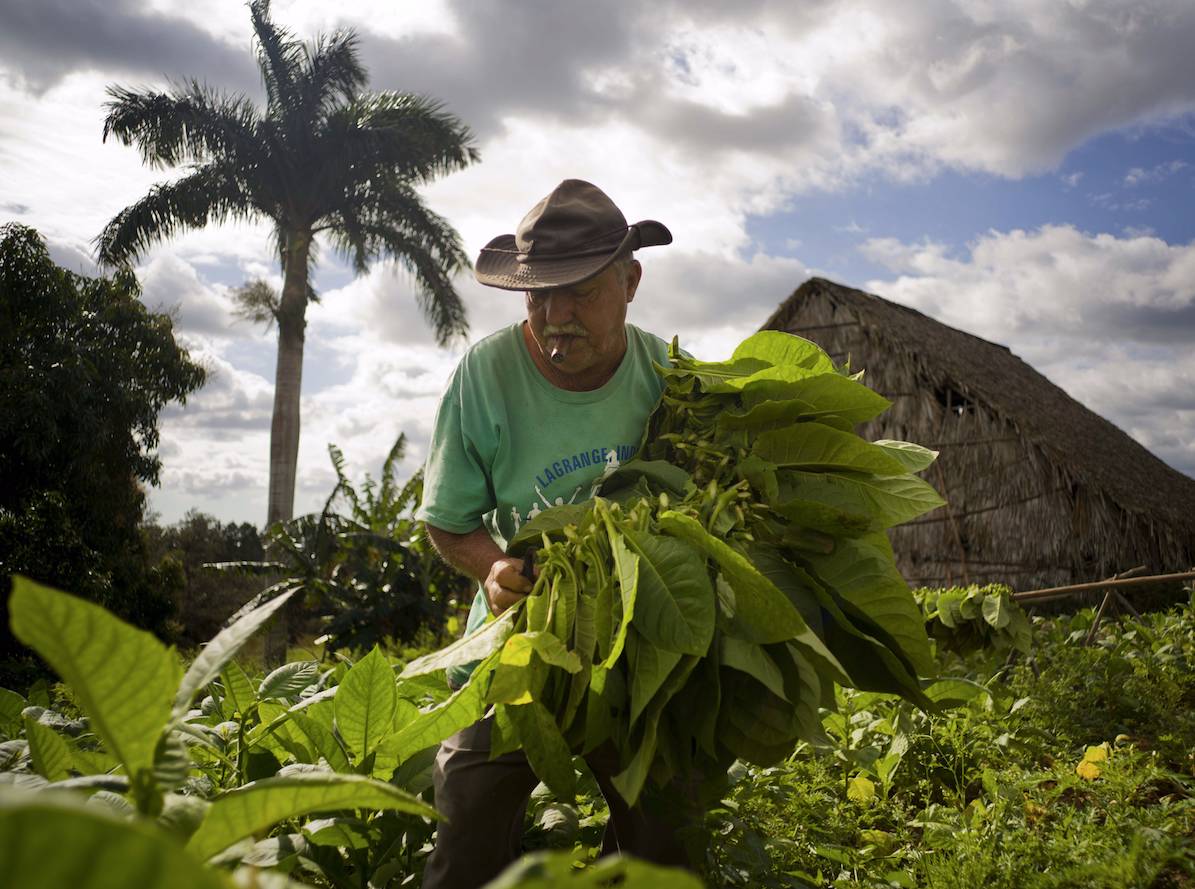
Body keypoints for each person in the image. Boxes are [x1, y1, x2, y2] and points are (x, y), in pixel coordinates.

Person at [415, 179, 691, 888]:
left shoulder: (670, 377)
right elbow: (448, 519)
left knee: (659, 830)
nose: (555, 316)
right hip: (517, 632)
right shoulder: (487, 373)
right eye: (538, 295)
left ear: (630, 282)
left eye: (580, 292)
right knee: (468, 818)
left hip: (635, 642)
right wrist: (490, 568)